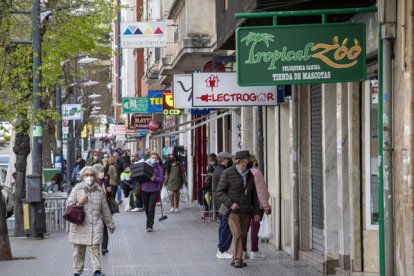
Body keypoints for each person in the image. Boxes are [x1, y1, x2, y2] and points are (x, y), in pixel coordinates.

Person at [66, 166, 115, 276]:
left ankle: (97, 271)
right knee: (79, 251)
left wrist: (110, 224)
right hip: (80, 225)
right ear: (83, 177)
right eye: (87, 175)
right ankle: (77, 272)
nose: (89, 177)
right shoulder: (77, 189)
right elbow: (68, 205)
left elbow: (105, 209)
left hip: (95, 225)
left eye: (91, 175)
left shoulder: (99, 190)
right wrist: (79, 203)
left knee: (95, 249)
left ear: (95, 176)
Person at [216, 150, 260, 269]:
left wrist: (256, 211)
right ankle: (237, 260)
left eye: (249, 161)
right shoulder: (228, 173)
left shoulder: (250, 175)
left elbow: (254, 195)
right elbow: (219, 191)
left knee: (243, 234)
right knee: (238, 233)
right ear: (240, 161)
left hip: (246, 210)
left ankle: (236, 258)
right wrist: (231, 204)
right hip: (233, 211)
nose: (248, 163)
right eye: (246, 161)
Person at [242, 157, 271, 259]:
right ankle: (254, 251)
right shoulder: (256, 173)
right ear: (253, 162)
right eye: (256, 161)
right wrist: (266, 206)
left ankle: (243, 251)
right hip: (256, 206)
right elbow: (261, 190)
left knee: (244, 228)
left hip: (244, 205)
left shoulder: (242, 172)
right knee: (255, 227)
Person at [213, 152, 234, 259]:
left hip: (220, 202)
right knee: (226, 226)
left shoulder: (218, 169)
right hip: (224, 203)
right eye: (227, 159)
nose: (229, 161)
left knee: (223, 226)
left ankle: (222, 249)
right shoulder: (223, 171)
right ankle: (222, 249)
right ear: (223, 160)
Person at [140, 153, 164, 232]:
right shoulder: (145, 166)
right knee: (146, 208)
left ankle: (149, 226)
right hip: (144, 190)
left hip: (154, 190)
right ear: (149, 158)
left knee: (151, 208)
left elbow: (161, 179)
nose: (154, 159)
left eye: (155, 158)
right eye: (152, 157)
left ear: (157, 159)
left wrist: (155, 178)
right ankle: (150, 221)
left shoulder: (159, 168)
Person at [93, 164, 112, 256]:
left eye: (102, 171)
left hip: (104, 207)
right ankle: (95, 246)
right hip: (94, 208)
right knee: (95, 228)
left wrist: (109, 191)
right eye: (100, 171)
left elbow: (109, 195)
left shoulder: (105, 181)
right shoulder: (92, 182)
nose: (101, 173)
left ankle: (104, 247)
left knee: (104, 227)